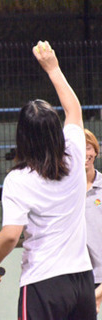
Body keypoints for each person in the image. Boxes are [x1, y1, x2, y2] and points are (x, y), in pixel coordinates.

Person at [0, 40, 96, 319]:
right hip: (82, 280)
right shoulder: (74, 150)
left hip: (43, 282)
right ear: (56, 130)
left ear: (22, 136)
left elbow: (10, 235)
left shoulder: (18, 180)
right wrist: (53, 67)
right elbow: (74, 110)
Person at [85, 128, 102, 314]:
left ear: (96, 151)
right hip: (76, 274)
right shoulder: (66, 190)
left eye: (89, 148)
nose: (85, 154)